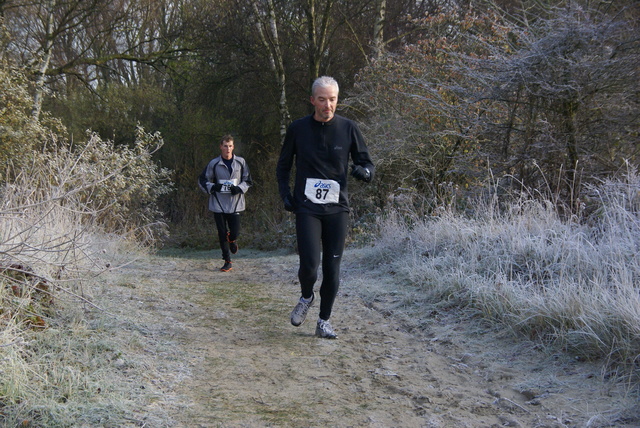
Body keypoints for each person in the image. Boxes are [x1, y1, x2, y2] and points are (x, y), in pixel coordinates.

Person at [276, 76, 374, 339]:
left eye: (332, 99)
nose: (327, 105)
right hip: (307, 207)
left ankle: (324, 321)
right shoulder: (298, 129)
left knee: (332, 269)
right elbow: (283, 166)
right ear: (312, 100)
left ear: (337, 100)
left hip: (336, 209)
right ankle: (306, 296)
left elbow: (368, 165)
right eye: (322, 99)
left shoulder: (349, 128)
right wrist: (286, 195)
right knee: (309, 266)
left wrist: (363, 172)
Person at [199, 135, 252, 272]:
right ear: (220, 147)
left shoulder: (241, 162)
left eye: (230, 146)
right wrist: (213, 187)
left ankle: (233, 240)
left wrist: (239, 188)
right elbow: (203, 180)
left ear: (233, 147)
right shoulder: (214, 163)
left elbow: (248, 180)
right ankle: (227, 261)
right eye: (225, 146)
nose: (227, 149)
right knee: (222, 233)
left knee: (234, 232)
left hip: (236, 203)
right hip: (218, 203)